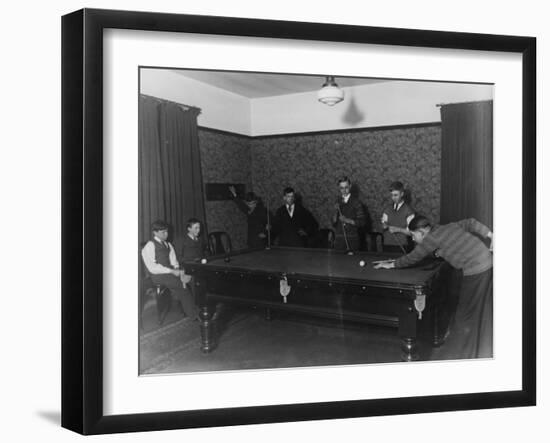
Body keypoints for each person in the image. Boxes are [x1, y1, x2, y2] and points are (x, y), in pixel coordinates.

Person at [374, 215, 493, 359]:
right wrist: (492, 235)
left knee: (464, 316)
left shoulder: (430, 239)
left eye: (413, 235)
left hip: (477, 270)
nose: (412, 239)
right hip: (488, 261)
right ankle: (479, 351)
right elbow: (471, 222)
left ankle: (463, 357)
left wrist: (391, 264)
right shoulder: (446, 227)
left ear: (422, 233)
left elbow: (412, 257)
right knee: (480, 311)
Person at [141, 220, 196, 320]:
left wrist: (178, 270)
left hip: (169, 273)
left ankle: (189, 309)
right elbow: (152, 267)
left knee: (192, 279)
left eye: (167, 232)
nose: (166, 234)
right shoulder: (150, 245)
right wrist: (171, 271)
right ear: (155, 232)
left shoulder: (168, 245)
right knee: (182, 286)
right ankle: (193, 315)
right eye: (163, 232)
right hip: (158, 275)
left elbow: (174, 261)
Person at [331, 176, 366, 252]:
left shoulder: (357, 203)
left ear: (350, 187)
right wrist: (335, 212)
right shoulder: (337, 202)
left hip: (352, 240)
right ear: (339, 188)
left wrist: (347, 220)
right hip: (338, 240)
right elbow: (334, 223)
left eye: (346, 187)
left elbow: (362, 222)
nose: (344, 190)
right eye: (341, 188)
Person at [380, 181, 415, 253]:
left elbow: (412, 232)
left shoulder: (409, 211)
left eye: (396, 195)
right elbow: (383, 225)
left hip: (402, 246)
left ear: (402, 194)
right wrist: (384, 225)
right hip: (387, 244)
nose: (393, 198)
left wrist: (398, 229)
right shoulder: (387, 209)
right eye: (392, 195)